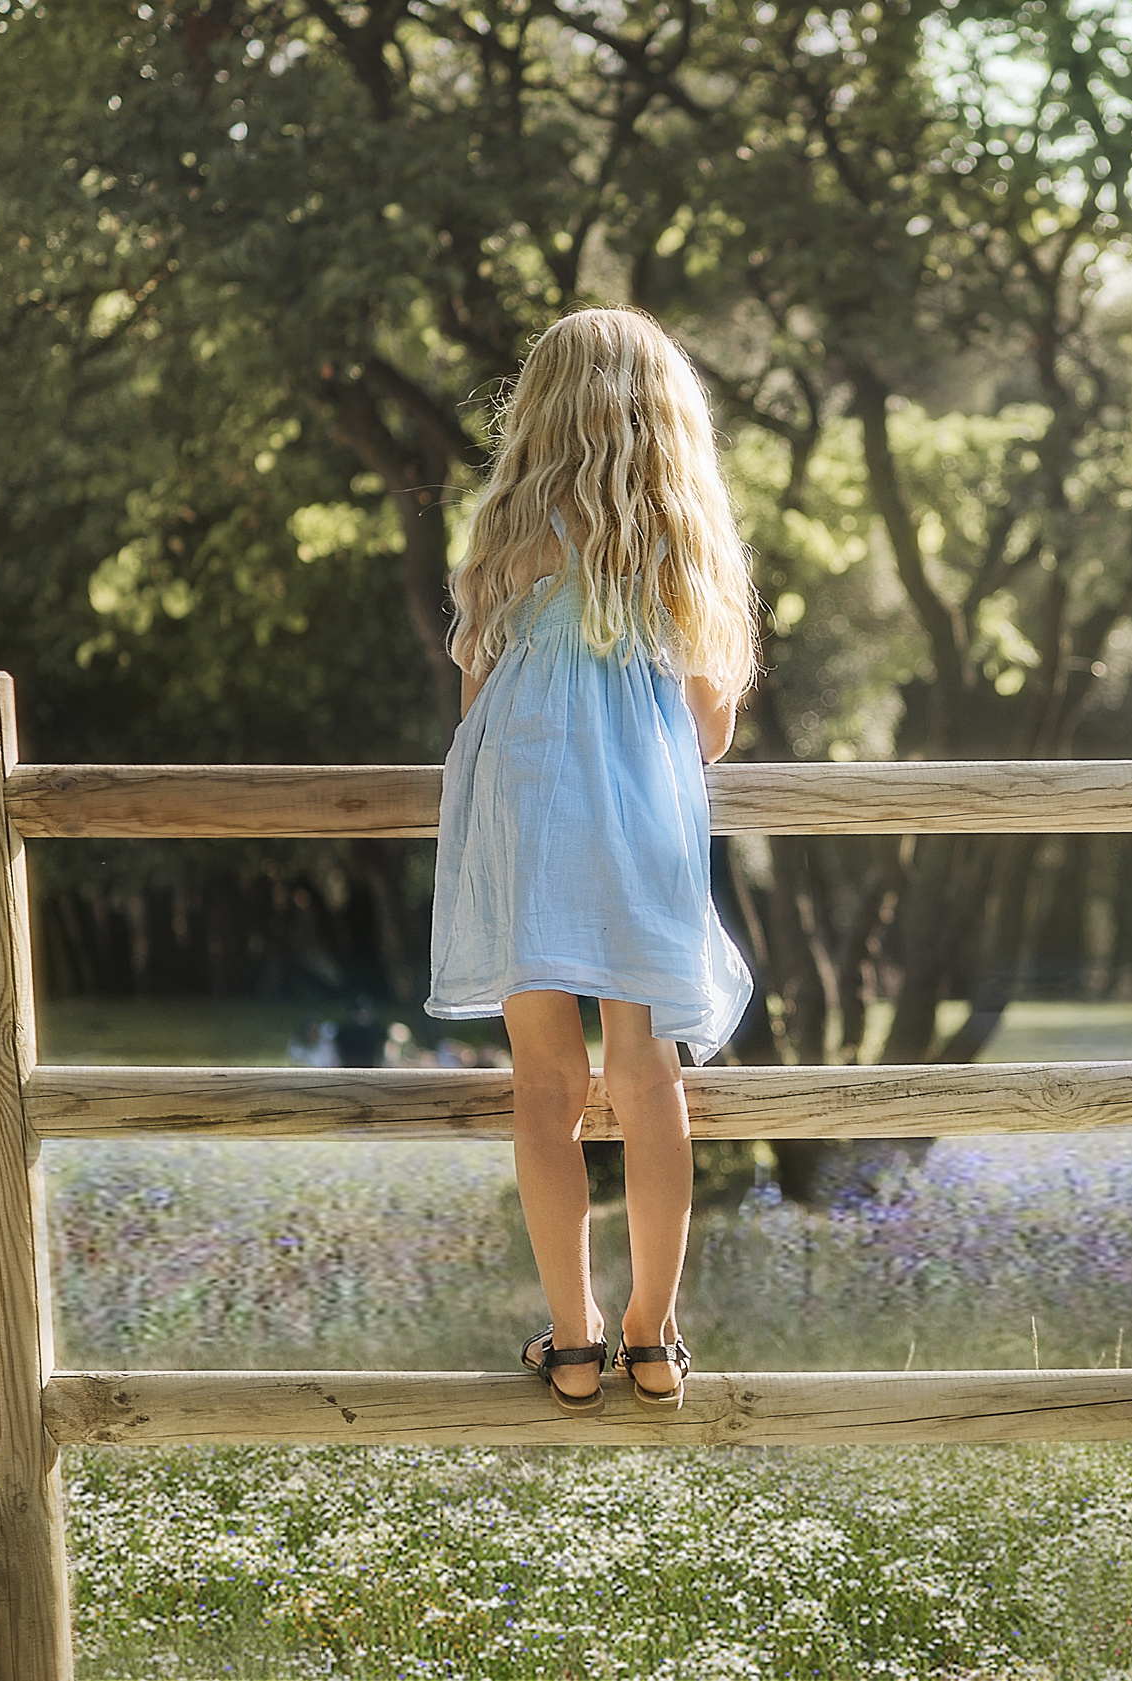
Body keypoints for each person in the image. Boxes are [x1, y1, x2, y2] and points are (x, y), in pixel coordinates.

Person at [425, 307, 757, 1415]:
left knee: (545, 1083)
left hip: (519, 809)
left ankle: (571, 1342)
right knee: (648, 1073)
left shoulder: (505, 531)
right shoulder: (675, 538)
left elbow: (474, 701)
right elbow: (708, 732)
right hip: (639, 820)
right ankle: (652, 1334)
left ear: (538, 409)